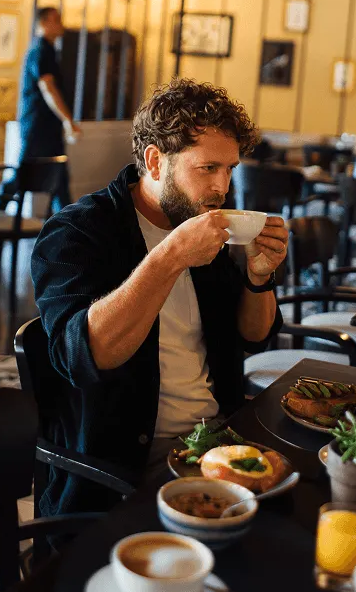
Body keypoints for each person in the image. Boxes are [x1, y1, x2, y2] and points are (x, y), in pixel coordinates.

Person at [31, 78, 288, 516]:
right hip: (124, 471)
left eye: (229, 169)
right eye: (208, 168)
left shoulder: (203, 221)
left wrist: (258, 278)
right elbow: (88, 354)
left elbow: (254, 336)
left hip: (216, 441)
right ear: (154, 161)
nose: (222, 187)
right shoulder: (77, 233)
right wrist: (170, 256)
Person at [0, 6, 80, 213]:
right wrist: (67, 119)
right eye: (56, 19)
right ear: (43, 23)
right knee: (24, 173)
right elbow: (48, 87)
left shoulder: (48, 50)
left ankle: (65, 223)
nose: (61, 24)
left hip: (47, 126)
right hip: (37, 125)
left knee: (59, 177)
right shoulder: (40, 50)